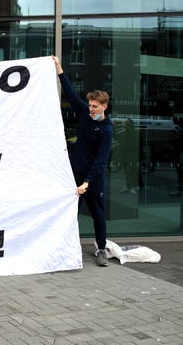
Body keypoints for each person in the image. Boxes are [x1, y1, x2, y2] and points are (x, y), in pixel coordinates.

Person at [53, 56, 113, 266]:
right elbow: (70, 93)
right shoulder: (86, 115)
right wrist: (60, 69)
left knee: (98, 215)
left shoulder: (106, 130)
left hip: (92, 180)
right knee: (70, 214)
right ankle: (67, 247)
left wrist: (87, 182)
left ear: (104, 106)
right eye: (90, 105)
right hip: (76, 175)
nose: (91, 109)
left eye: (95, 106)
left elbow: (101, 160)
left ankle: (101, 250)